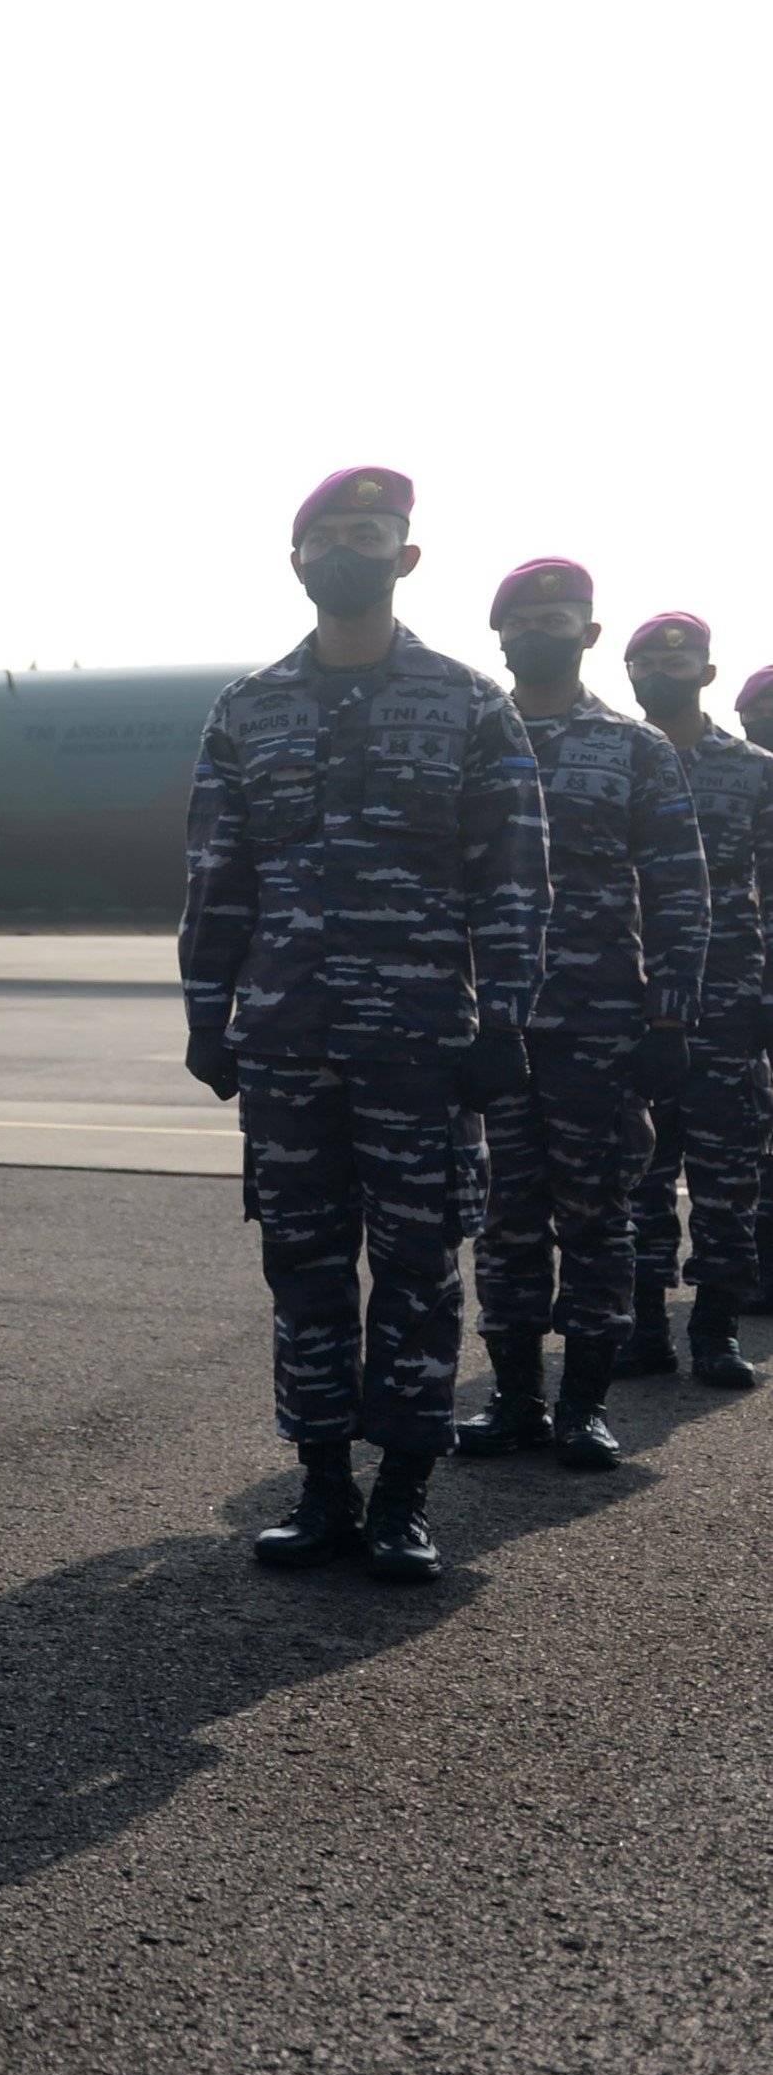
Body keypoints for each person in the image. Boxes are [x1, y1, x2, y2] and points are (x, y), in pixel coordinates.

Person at [179, 469, 547, 1583]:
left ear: (407, 556)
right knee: (301, 1268)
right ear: (297, 562)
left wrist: (505, 1017)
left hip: (425, 1040)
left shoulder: (469, 702)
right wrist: (208, 1011)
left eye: (369, 534)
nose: (348, 550)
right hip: (288, 1037)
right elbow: (216, 872)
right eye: (328, 537)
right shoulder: (248, 708)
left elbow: (514, 874)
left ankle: (403, 1497)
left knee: (421, 1268)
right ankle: (324, 1485)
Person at [453, 562, 704, 1469]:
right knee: (505, 1216)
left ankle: (583, 1405)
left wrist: (670, 1018)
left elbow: (679, 889)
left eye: (555, 616)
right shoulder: (473, 739)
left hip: (600, 1022)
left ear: (589, 633)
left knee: (597, 1215)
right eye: (521, 618)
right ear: (500, 637)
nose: (538, 628)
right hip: (491, 1025)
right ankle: (513, 1399)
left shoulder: (636, 750)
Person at [619, 610, 771, 1388]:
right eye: (645, 665)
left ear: (707, 675)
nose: (660, 676)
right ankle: (643, 1327)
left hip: (727, 997)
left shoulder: (753, 771)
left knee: (725, 1169)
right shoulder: (612, 760)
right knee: (638, 1170)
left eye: (677, 666)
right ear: (628, 674)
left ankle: (714, 1330)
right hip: (628, 995)